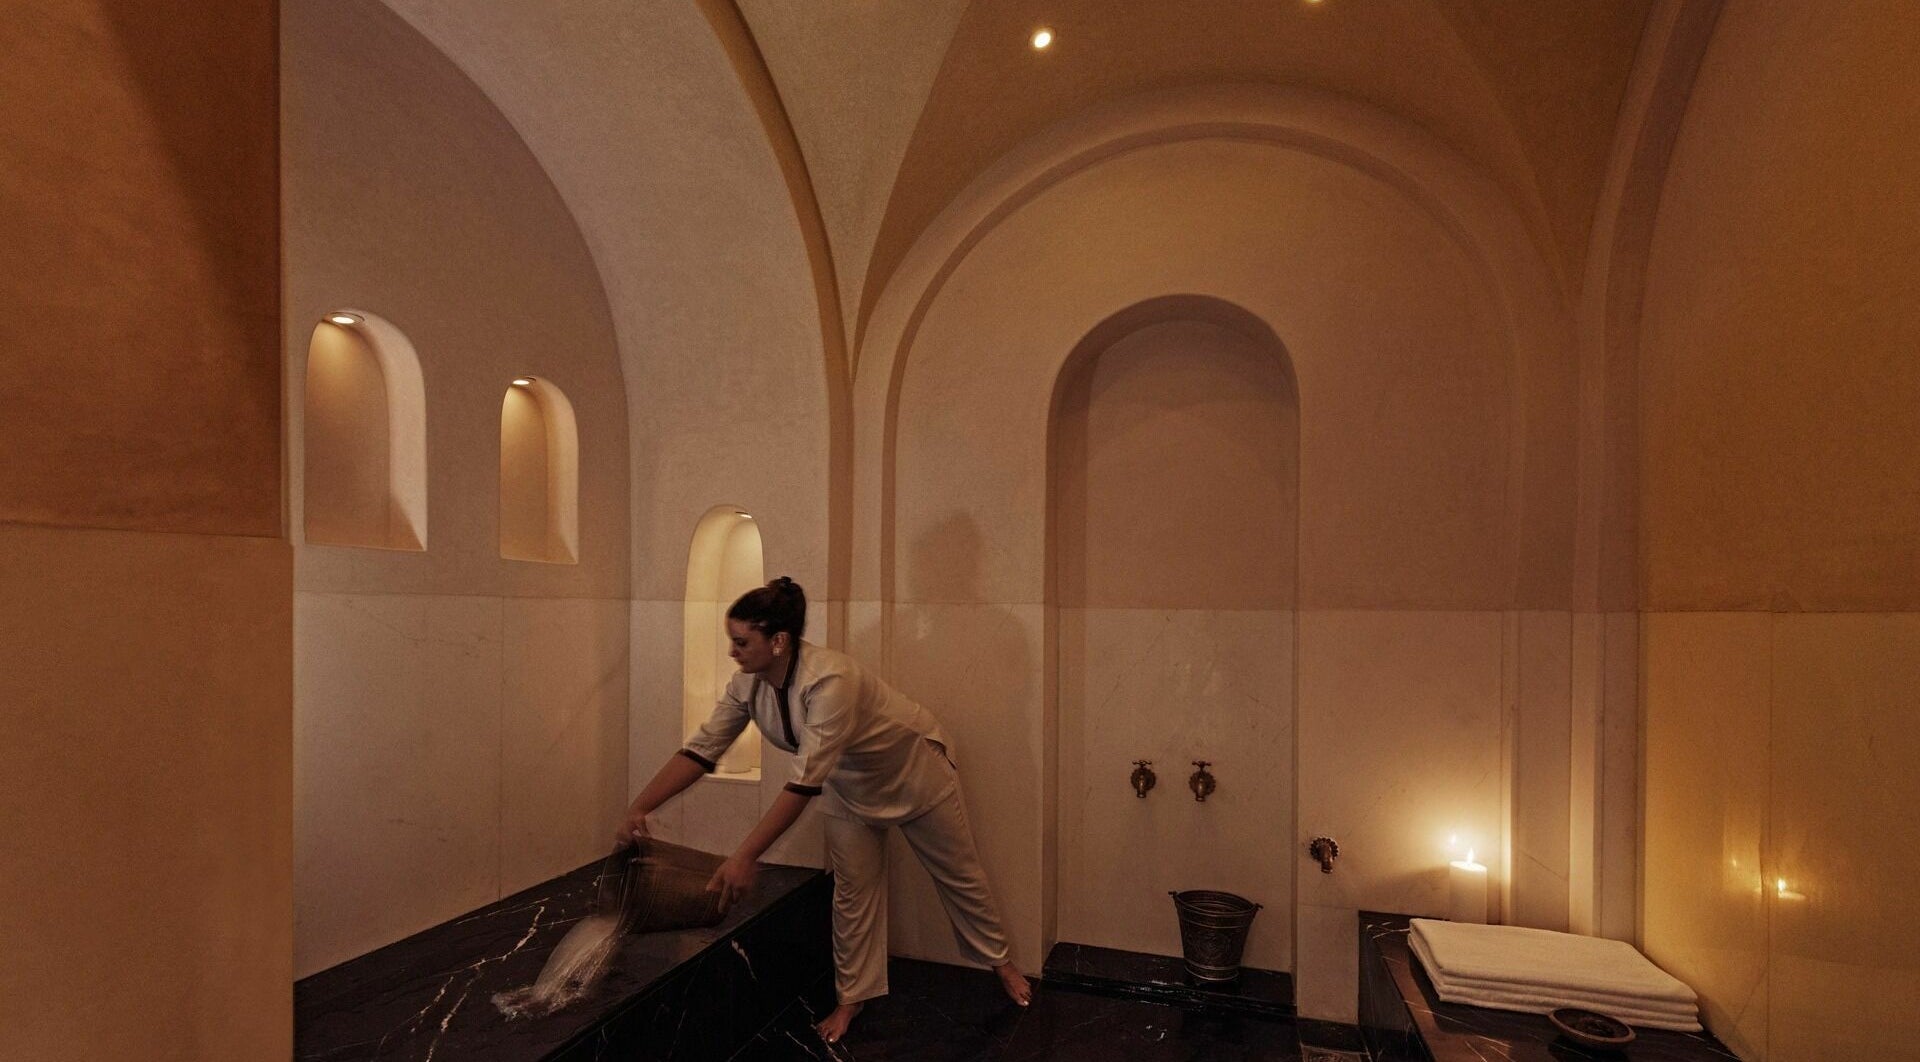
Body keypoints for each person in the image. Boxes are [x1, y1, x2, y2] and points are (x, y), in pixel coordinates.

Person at [616, 576, 1033, 1043]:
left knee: (959, 874)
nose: (732, 652)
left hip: (913, 771)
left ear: (778, 641)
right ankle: (852, 999)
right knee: (853, 894)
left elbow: (801, 785)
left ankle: (1003, 965)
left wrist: (744, 856)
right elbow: (701, 751)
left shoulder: (831, 680)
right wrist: (641, 806)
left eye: (740, 642)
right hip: (846, 784)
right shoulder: (746, 686)